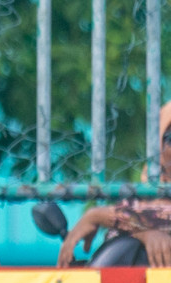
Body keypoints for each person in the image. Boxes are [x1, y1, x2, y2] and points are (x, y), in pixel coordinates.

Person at [56, 112, 171, 267]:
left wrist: (99, 216)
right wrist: (142, 234)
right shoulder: (140, 200)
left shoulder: (131, 210)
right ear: (159, 148)